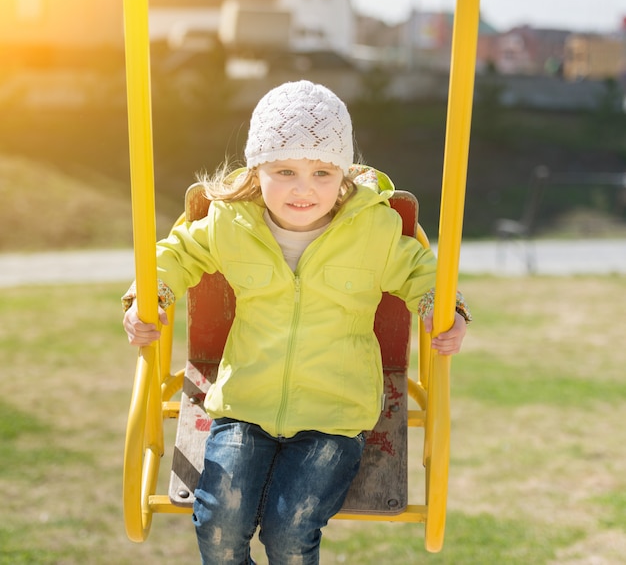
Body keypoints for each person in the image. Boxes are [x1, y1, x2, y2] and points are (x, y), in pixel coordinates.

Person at [122, 80, 471, 565]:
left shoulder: (372, 229)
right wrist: (149, 298)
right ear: (257, 169)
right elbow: (176, 253)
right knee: (219, 523)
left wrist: (443, 307)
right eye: (284, 170)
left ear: (343, 174)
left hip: (335, 413)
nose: (303, 188)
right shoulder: (231, 224)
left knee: (288, 530)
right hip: (246, 402)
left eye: (322, 172)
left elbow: (420, 271)